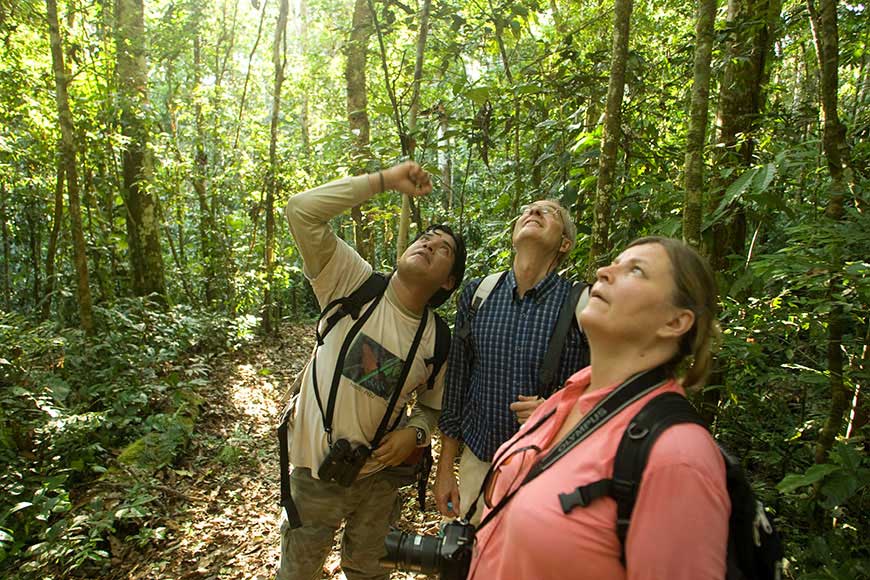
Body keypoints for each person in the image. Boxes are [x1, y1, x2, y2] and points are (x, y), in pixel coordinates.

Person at [467, 236, 730, 580]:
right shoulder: (565, 399)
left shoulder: (677, 455)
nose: (603, 272)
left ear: (674, 322)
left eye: (636, 270)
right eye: (613, 263)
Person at [276, 161, 466, 580]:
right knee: (298, 572)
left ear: (448, 282)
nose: (429, 244)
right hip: (316, 473)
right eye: (425, 237)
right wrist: (384, 181)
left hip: (378, 481)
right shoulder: (351, 282)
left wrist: (414, 433)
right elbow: (300, 210)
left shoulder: (438, 339)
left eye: (444, 249)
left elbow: (433, 408)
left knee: (367, 569)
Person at [435, 200, 588, 525]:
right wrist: (445, 469)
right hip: (479, 463)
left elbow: (608, 391)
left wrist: (558, 411)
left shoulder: (582, 306)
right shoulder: (479, 295)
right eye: (529, 209)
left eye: (549, 212)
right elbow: (457, 385)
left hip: (547, 473)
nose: (533, 212)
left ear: (564, 244)